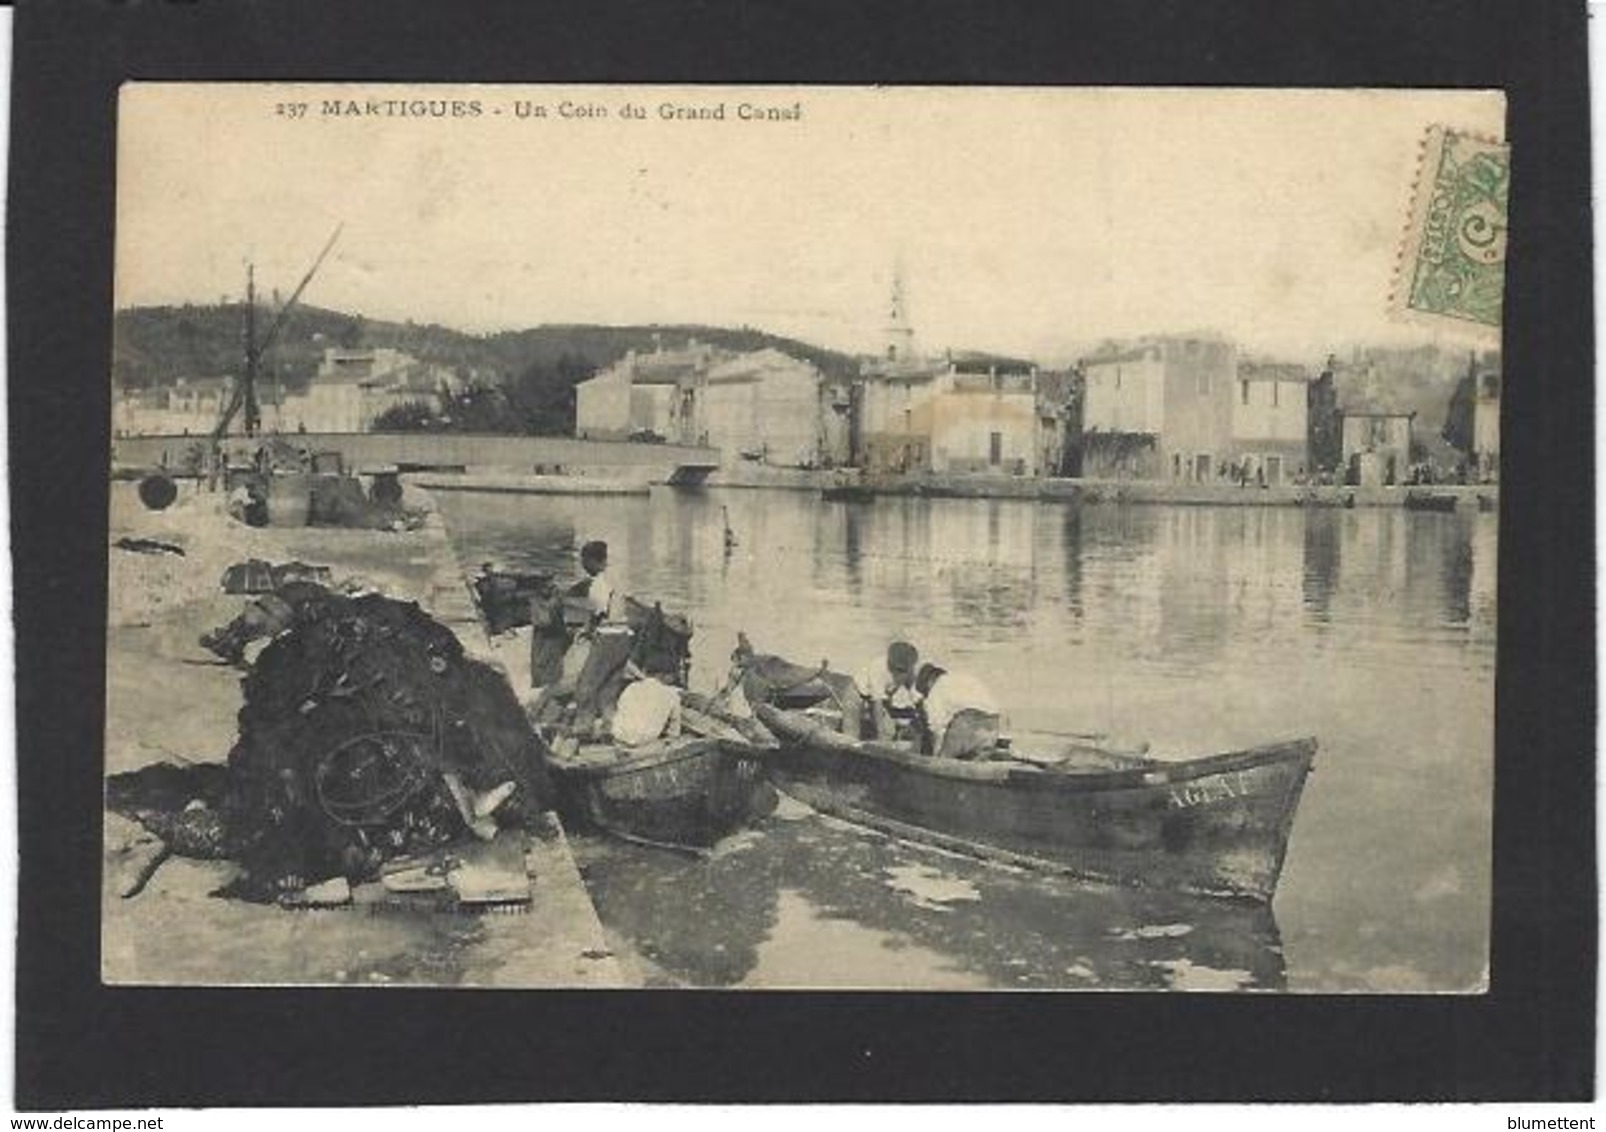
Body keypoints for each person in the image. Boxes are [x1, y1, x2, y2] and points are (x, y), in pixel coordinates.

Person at [914, 662, 1003, 760]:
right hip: (993, 726)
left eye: (925, 692)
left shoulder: (937, 687)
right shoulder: (962, 678)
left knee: (943, 762)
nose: (927, 695)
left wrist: (936, 755)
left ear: (929, 681)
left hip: (968, 724)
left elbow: (936, 729)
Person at [854, 641, 922, 742]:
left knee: (889, 731)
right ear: (891, 662)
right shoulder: (878, 667)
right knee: (851, 736)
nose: (901, 673)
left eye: (904, 670)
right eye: (898, 669)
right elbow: (877, 703)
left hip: (882, 698)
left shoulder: (908, 668)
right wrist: (880, 734)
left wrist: (922, 718)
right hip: (857, 694)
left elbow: (916, 696)